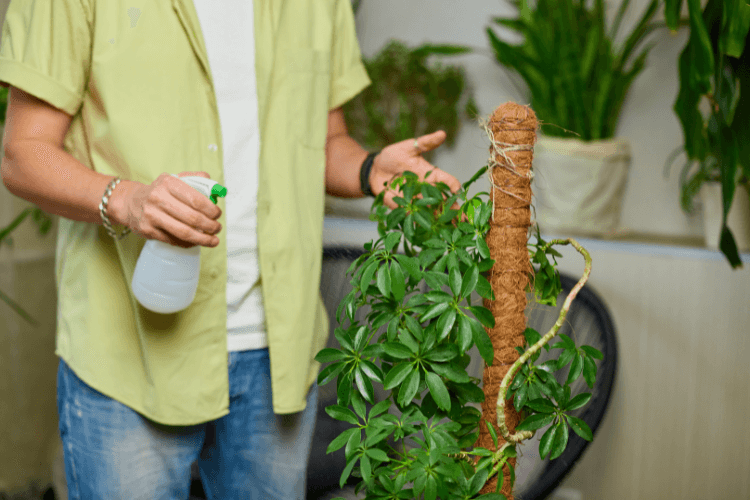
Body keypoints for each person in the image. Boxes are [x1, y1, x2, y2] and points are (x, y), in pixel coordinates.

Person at [0, 0, 460, 498]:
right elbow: (24, 153)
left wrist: (369, 169)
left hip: (279, 353)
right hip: (128, 354)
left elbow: (323, 141)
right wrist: (128, 200)